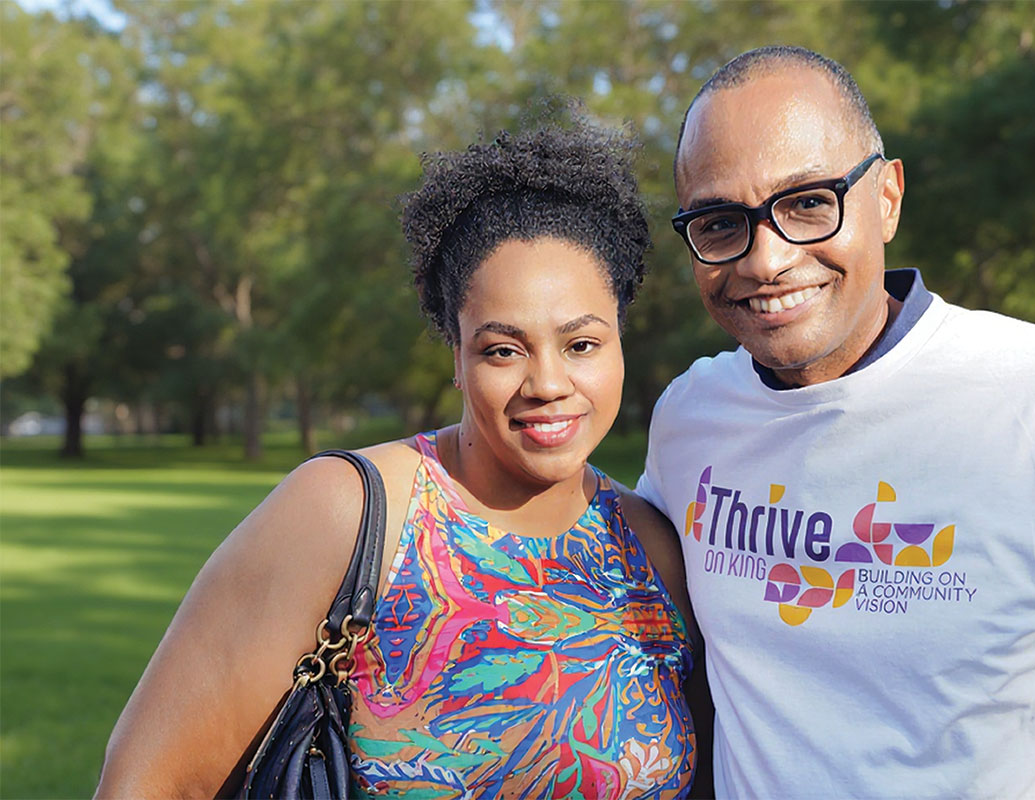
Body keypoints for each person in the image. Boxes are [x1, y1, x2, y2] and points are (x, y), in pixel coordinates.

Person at [636, 45, 1035, 799]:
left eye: (807, 202)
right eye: (719, 221)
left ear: (889, 197)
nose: (765, 259)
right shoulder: (690, 420)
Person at [96, 119, 705, 799]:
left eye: (582, 345)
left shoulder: (653, 551)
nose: (548, 383)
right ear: (456, 353)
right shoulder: (346, 512)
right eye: (503, 349)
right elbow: (145, 784)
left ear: (620, 340)